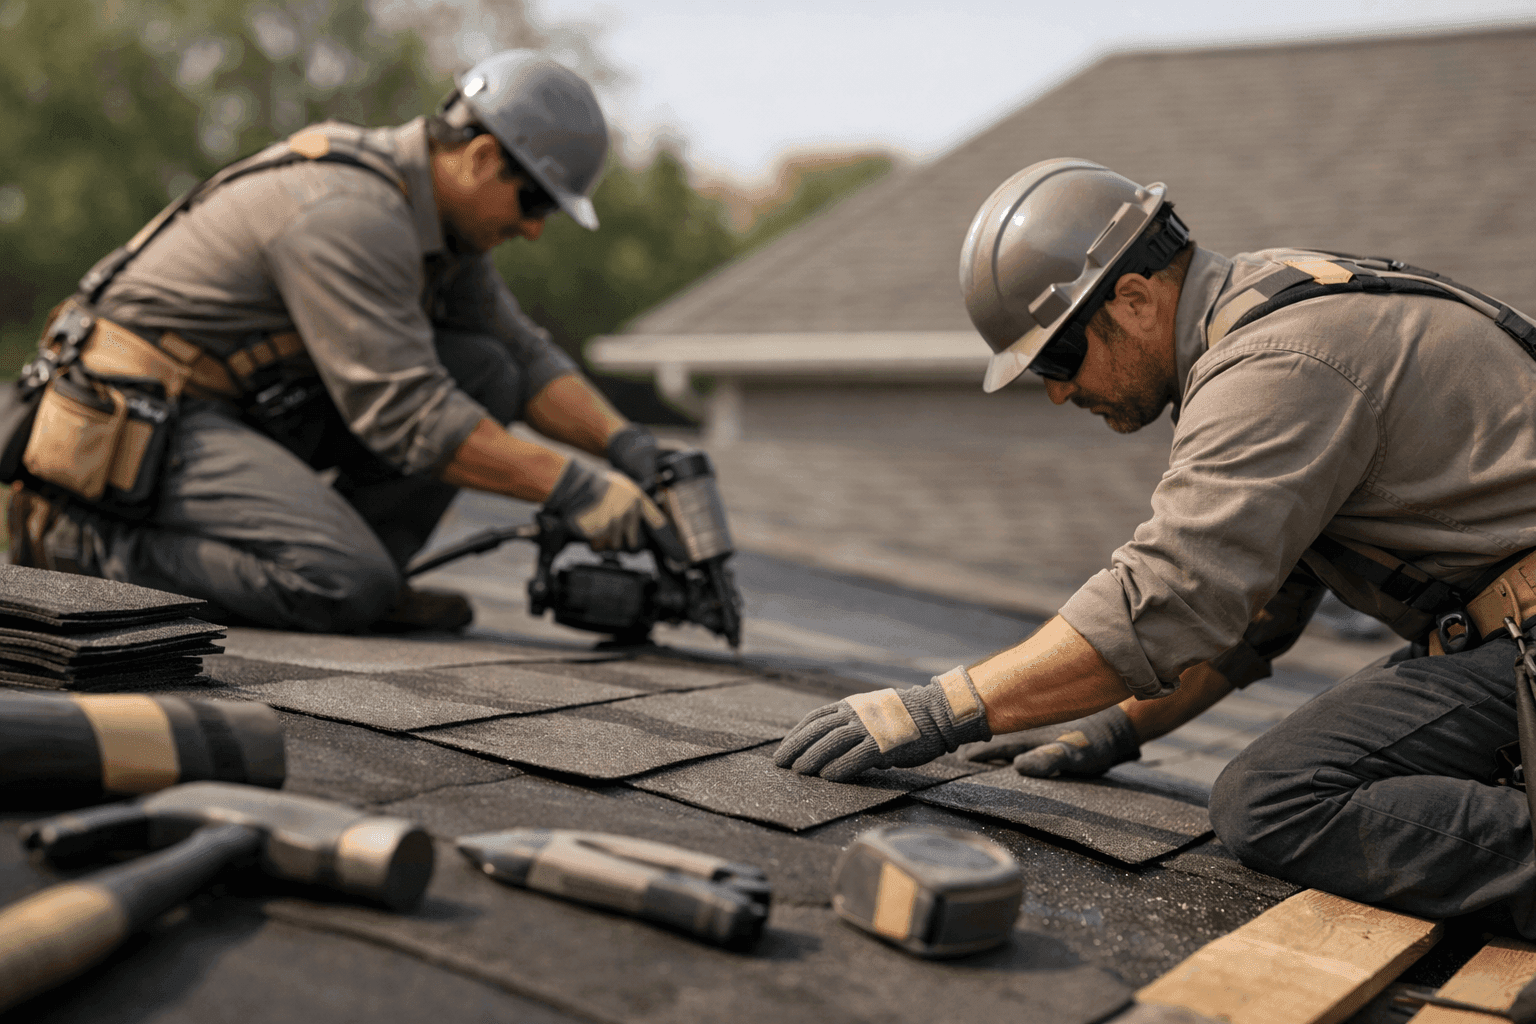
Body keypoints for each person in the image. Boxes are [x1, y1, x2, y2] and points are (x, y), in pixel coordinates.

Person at [775, 158, 1536, 933]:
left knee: (1273, 800)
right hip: (1504, 640)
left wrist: (941, 710)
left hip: (1519, 641)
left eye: (1058, 359)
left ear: (1134, 298)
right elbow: (1254, 613)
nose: (1059, 392)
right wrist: (1115, 727)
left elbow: (1172, 597)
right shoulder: (1266, 308)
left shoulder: (1274, 363)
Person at [6, 50, 667, 633]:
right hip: (143, 415)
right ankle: (83, 548)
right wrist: (577, 489)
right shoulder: (353, 212)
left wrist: (631, 449)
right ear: (483, 157)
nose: (534, 232)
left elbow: (522, 358)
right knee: (343, 582)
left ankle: (358, 574)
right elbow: (410, 416)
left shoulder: (437, 224)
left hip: (229, 410)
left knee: (485, 368)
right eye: (536, 205)